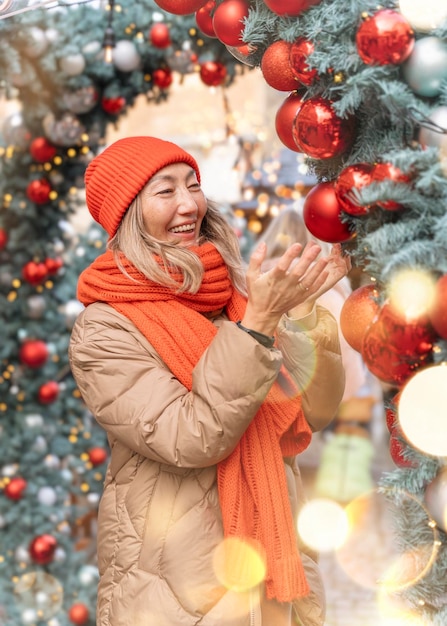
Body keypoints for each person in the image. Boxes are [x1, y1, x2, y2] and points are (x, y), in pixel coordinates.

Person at [68, 136, 350, 626]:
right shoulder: (104, 327)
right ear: (128, 213)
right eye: (165, 191)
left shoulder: (234, 295)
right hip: (176, 589)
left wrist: (304, 316)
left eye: (193, 185)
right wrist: (257, 326)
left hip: (272, 568)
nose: (188, 204)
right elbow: (189, 436)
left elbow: (314, 412)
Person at [255, 206, 378, 502]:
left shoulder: (256, 281)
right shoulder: (322, 283)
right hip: (323, 395)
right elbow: (341, 347)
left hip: (270, 401)